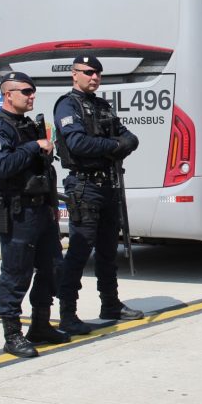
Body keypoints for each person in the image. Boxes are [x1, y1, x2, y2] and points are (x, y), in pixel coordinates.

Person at [0, 71, 69, 358]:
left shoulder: (27, 125)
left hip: (41, 208)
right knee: (16, 274)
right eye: (26, 92)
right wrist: (33, 146)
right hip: (17, 211)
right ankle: (12, 334)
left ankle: (40, 324)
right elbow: (2, 165)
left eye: (32, 91)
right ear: (8, 95)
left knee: (53, 268)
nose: (31, 96)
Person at [55, 55, 144, 335]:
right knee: (80, 253)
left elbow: (131, 138)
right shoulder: (67, 105)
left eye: (98, 73)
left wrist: (110, 145)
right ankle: (68, 314)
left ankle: (111, 304)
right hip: (84, 187)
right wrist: (114, 146)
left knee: (108, 251)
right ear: (75, 74)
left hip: (108, 185)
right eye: (89, 72)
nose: (94, 77)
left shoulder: (102, 106)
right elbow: (78, 143)